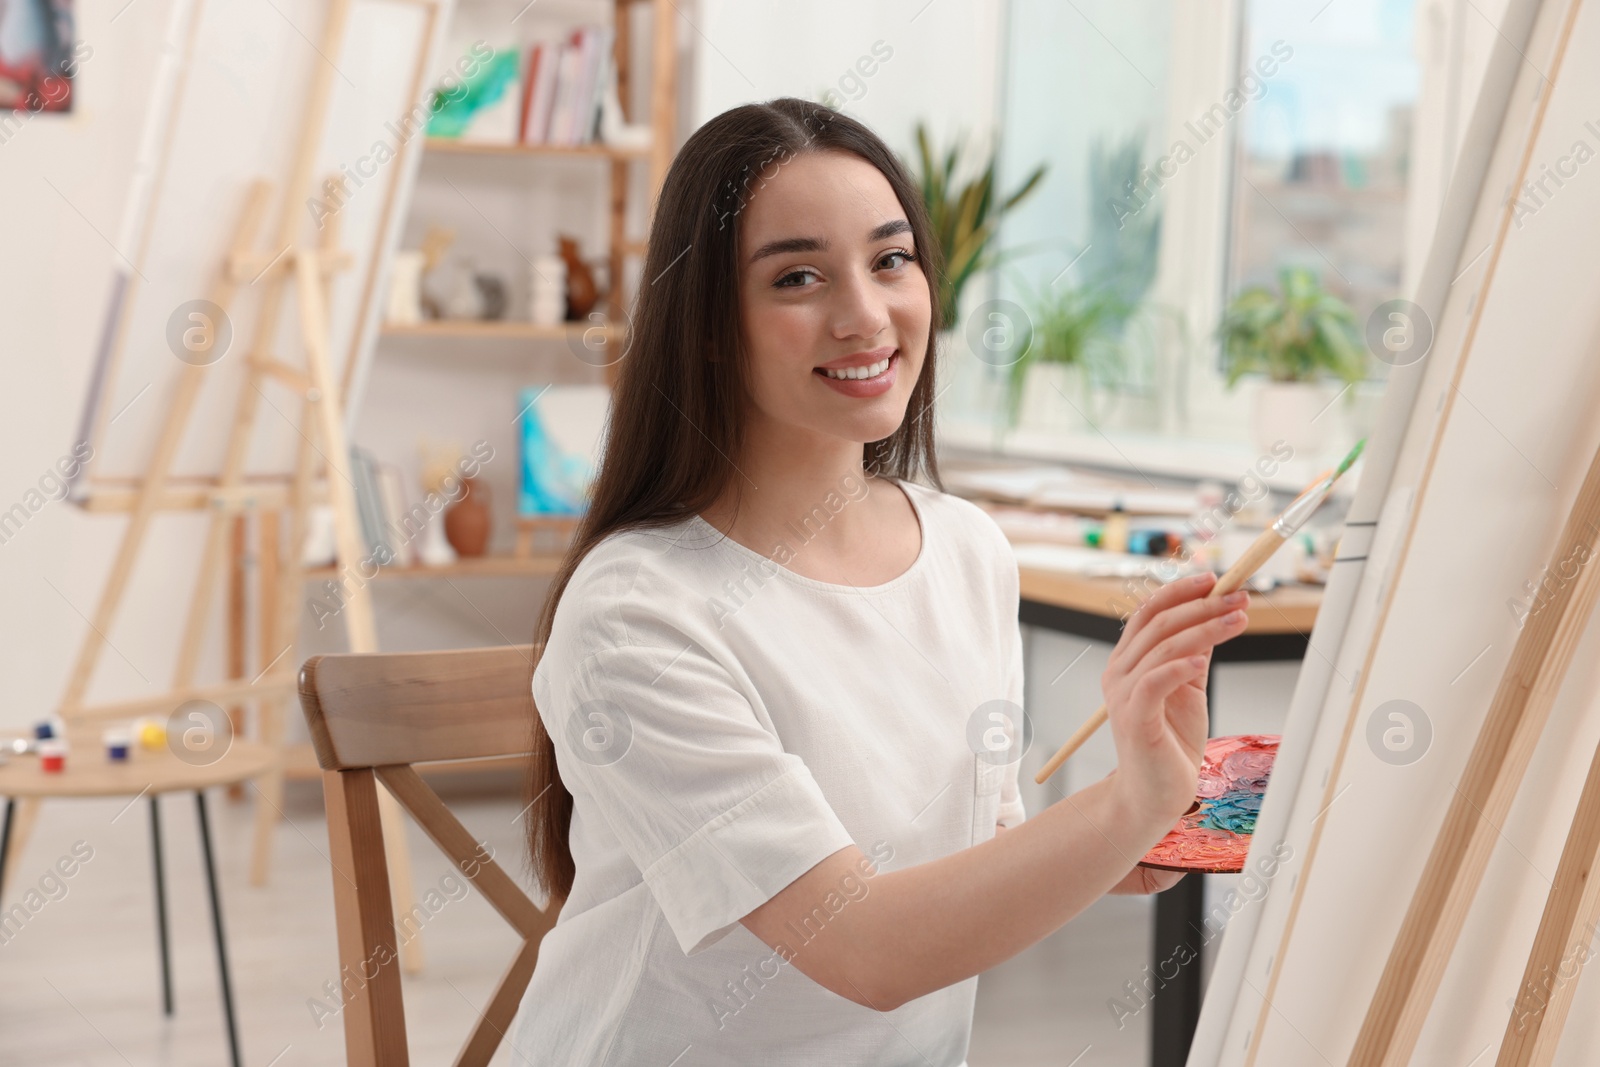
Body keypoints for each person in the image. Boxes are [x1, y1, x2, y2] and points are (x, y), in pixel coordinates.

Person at [508, 97, 1250, 1066]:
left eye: (890, 259)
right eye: (798, 275)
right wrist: (1126, 805)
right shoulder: (636, 614)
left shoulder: (966, 549)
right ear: (705, 327)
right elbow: (864, 947)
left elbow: (977, 848)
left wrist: (1166, 804)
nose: (865, 314)